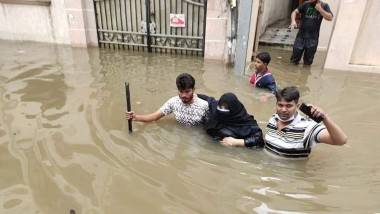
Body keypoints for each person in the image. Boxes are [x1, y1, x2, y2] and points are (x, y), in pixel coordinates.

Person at [264, 86, 347, 158]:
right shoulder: (273, 119)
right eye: (280, 105)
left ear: (297, 106)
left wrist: (325, 118)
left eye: (289, 106)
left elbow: (341, 141)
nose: (283, 110)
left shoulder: (307, 127)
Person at [125, 73, 209, 126]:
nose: (184, 95)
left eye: (187, 92)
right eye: (181, 91)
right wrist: (135, 117)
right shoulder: (173, 102)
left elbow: (213, 125)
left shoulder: (204, 105)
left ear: (193, 90)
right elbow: (154, 117)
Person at [199, 93, 264, 148]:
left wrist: (237, 142)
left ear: (234, 109)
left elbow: (259, 140)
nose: (222, 109)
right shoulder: (215, 108)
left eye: (226, 108)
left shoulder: (246, 123)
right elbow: (208, 99)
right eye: (220, 107)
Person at [289, 0, 333, 65]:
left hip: (313, 39)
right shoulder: (306, 4)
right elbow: (294, 12)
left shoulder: (324, 5)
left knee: (308, 62)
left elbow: (330, 18)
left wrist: (320, 10)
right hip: (300, 37)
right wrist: (293, 21)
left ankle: (305, 75)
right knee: (293, 61)